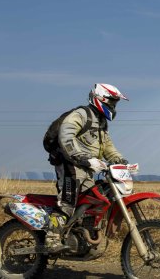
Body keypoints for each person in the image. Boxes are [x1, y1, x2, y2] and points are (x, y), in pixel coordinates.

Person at [48, 83, 129, 246]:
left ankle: (80, 237)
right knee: (67, 202)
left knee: (91, 202)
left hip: (88, 168)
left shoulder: (101, 122)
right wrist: (83, 158)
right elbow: (66, 137)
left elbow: (107, 146)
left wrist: (121, 161)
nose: (113, 106)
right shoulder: (80, 115)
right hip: (70, 165)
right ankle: (52, 238)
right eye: (112, 102)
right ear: (101, 99)